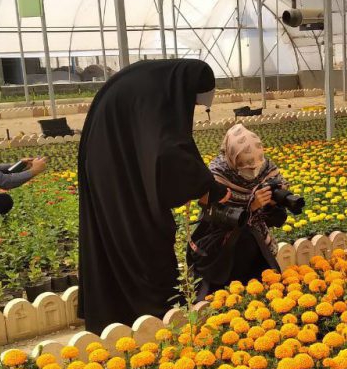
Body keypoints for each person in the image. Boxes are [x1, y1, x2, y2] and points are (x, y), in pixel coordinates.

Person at [77, 59, 229, 334]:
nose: (190, 110)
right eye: (192, 103)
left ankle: (121, 312)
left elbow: (162, 146)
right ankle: (153, 310)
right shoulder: (154, 92)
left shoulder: (150, 83)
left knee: (121, 234)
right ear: (185, 90)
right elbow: (167, 152)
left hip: (112, 165)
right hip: (115, 169)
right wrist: (210, 189)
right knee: (143, 236)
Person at [188, 124, 290, 300]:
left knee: (260, 279)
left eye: (257, 166)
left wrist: (272, 202)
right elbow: (216, 213)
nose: (254, 171)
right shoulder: (217, 173)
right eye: (247, 167)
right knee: (227, 285)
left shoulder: (265, 168)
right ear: (233, 159)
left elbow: (276, 213)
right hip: (221, 238)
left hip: (255, 236)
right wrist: (252, 205)